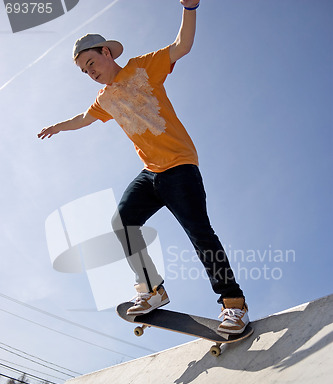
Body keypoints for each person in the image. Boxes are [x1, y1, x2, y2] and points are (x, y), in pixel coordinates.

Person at [38, 0, 249, 335]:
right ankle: (153, 289)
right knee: (122, 223)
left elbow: (183, 45)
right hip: (151, 174)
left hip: (179, 166)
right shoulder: (104, 99)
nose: (90, 72)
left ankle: (233, 304)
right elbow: (83, 118)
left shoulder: (143, 67)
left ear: (107, 53)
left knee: (200, 234)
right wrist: (58, 126)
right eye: (84, 71)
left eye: (92, 63)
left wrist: (190, 8)